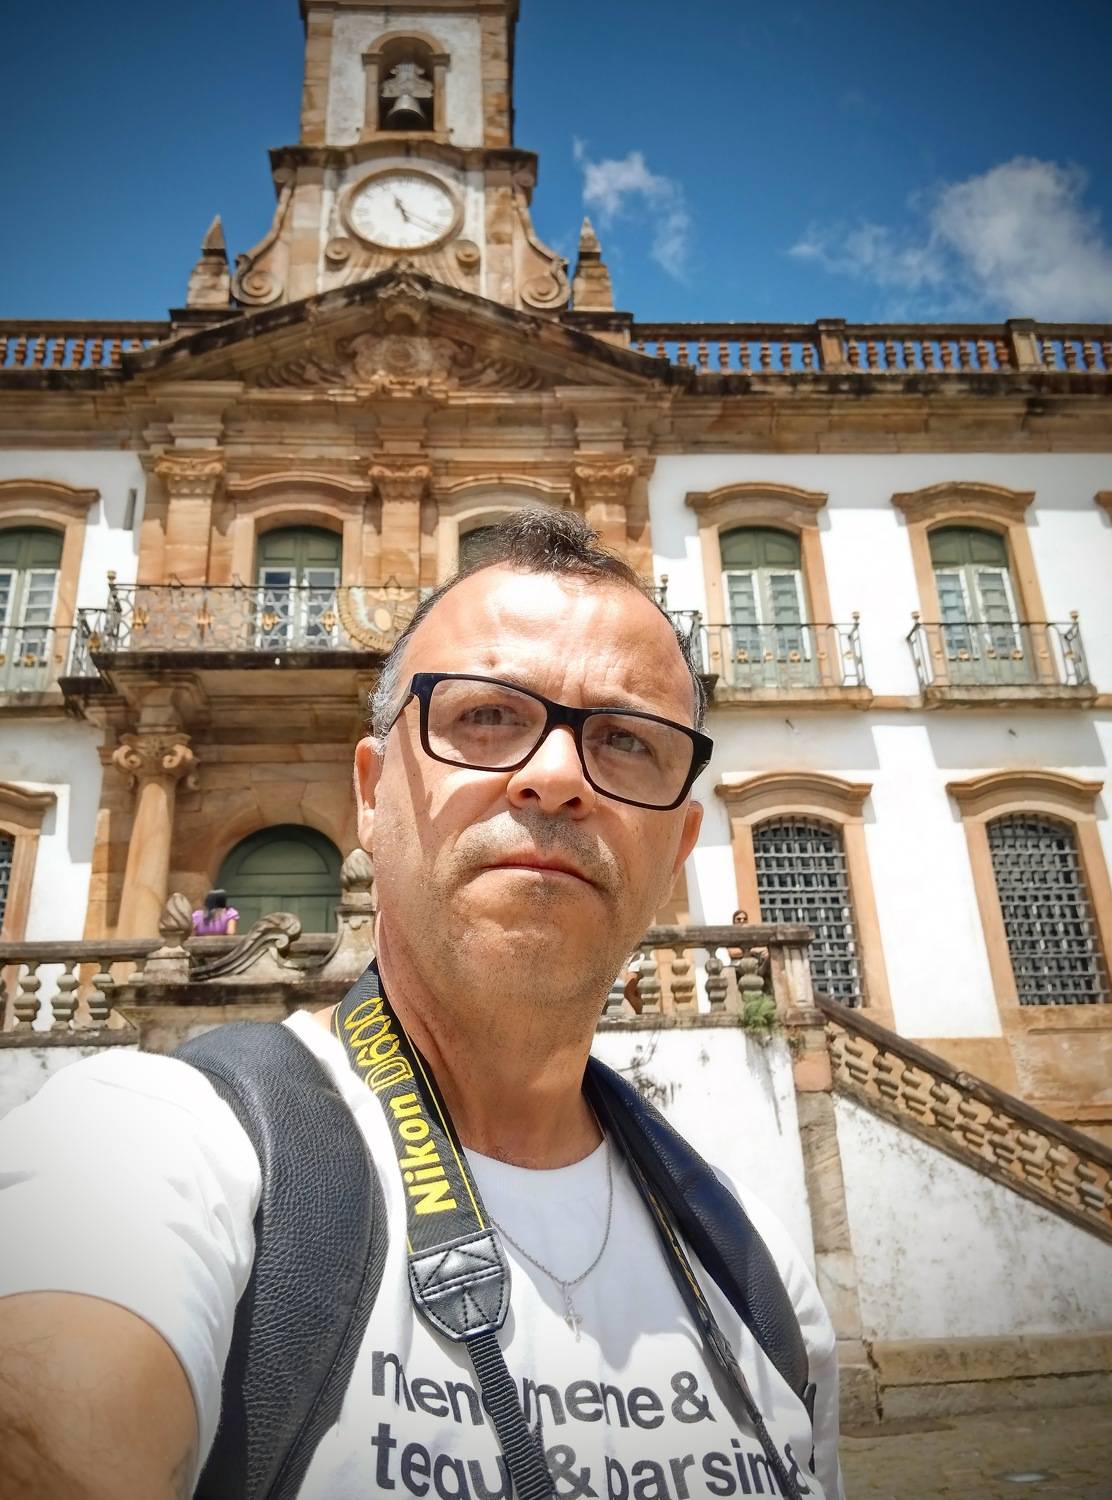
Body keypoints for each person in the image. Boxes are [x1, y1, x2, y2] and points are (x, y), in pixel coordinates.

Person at [0, 510, 844, 1499]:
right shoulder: (146, 1144)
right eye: (484, 716)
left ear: (679, 844)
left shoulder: (757, 1271)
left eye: (624, 739)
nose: (554, 777)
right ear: (371, 794)